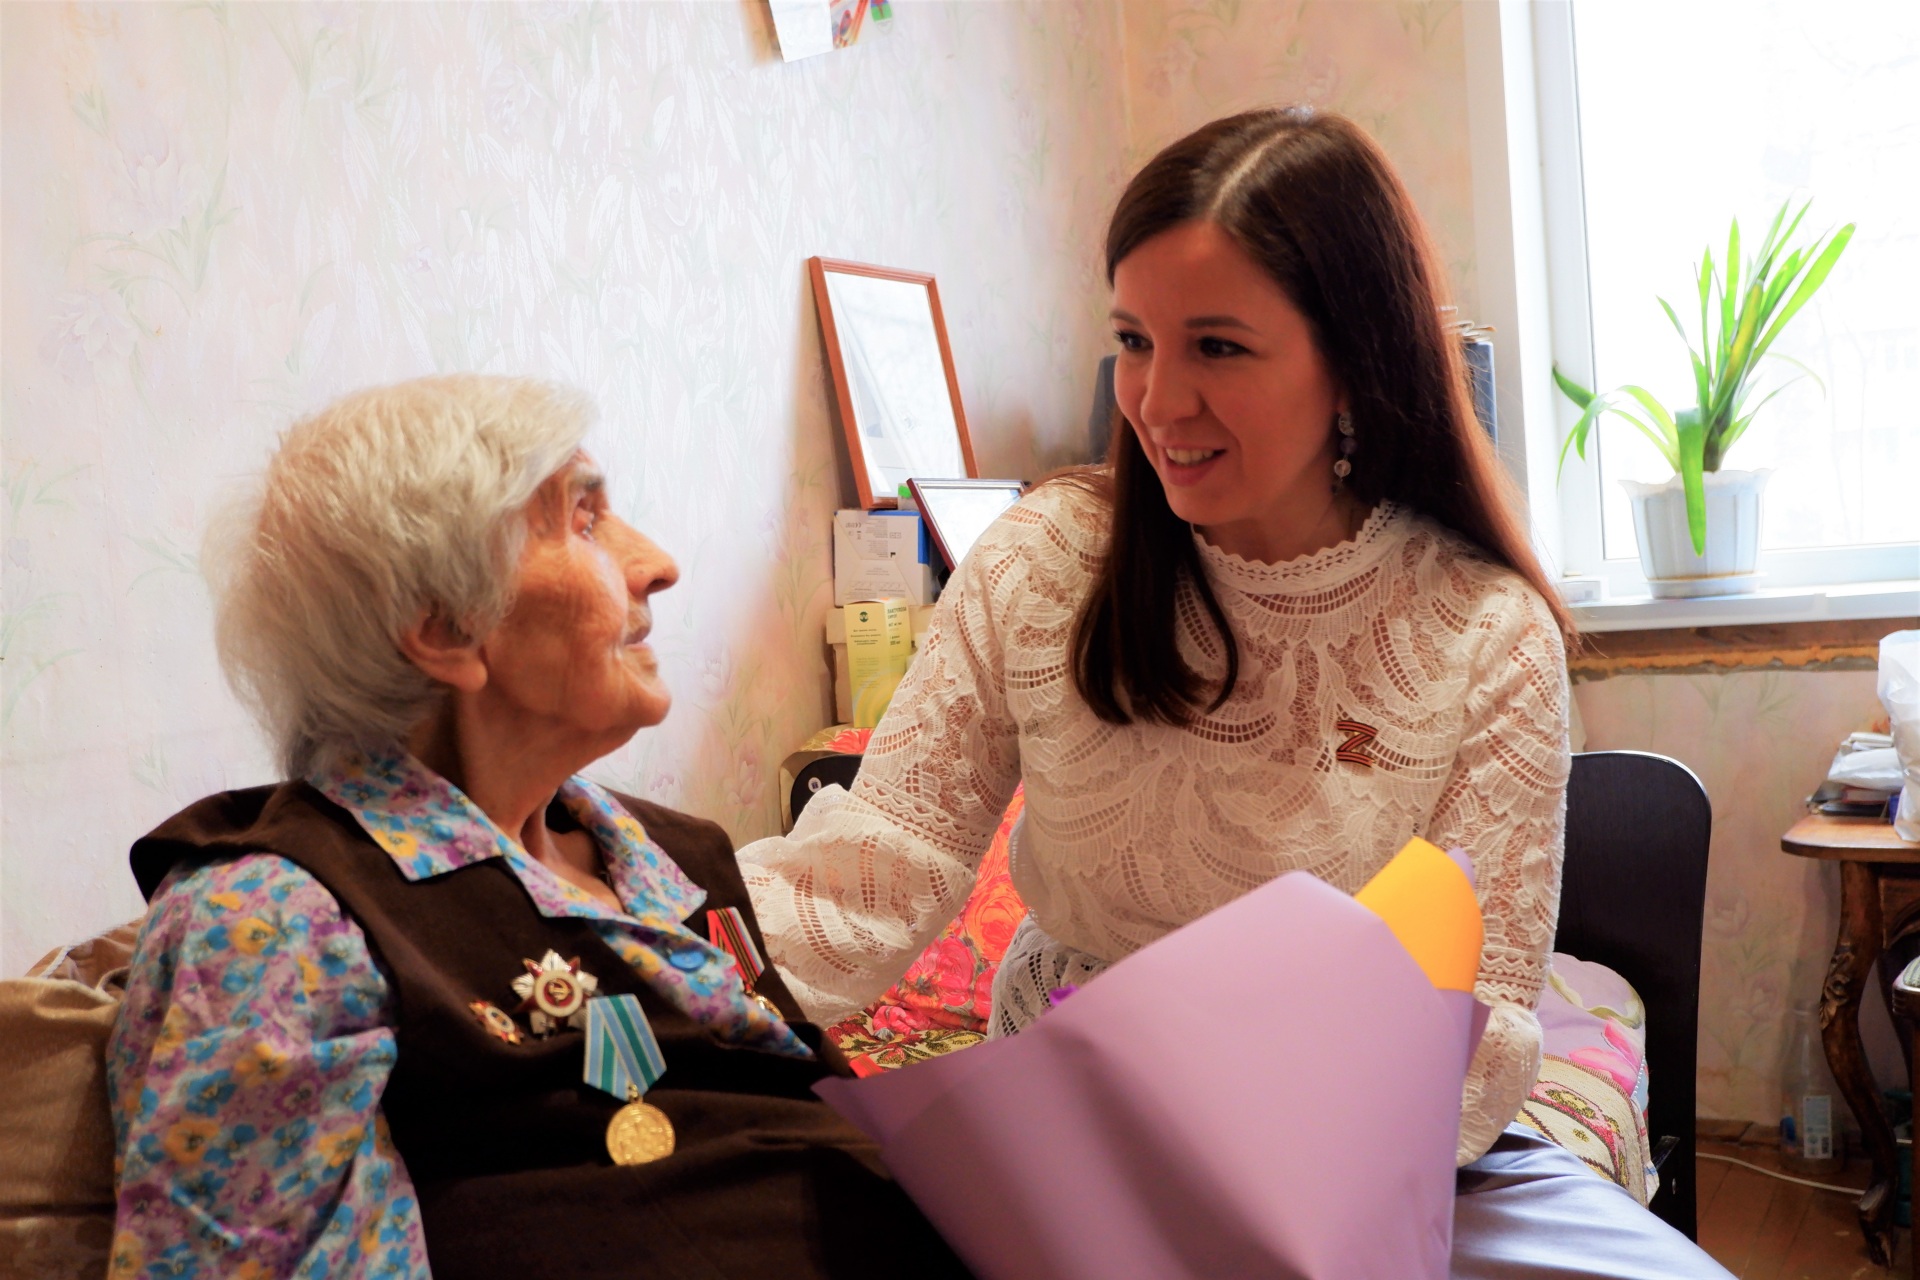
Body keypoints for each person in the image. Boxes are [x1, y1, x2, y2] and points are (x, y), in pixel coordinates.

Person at [739, 109, 1732, 1276]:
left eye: (1216, 347)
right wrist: (661, 966)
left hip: (1352, 1143)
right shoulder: (1042, 564)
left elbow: (1480, 1013)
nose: (1159, 401)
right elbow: (880, 862)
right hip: (1074, 1131)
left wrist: (1291, 1158)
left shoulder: (1486, 630)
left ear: (1354, 360)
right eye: (1134, 340)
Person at [104, 376, 968, 1279]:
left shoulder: (671, 855)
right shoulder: (279, 923)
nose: (658, 564)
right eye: (584, 521)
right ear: (444, 627)